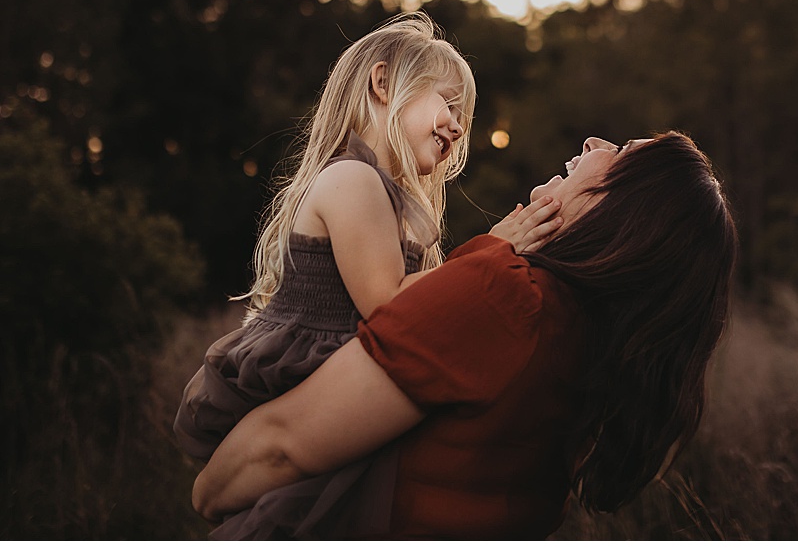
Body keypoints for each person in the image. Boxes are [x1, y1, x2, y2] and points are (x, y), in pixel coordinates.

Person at [192, 131, 738, 538]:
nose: (595, 141)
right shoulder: (598, 345)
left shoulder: (506, 296)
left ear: (616, 207)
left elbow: (281, 446)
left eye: (618, 151)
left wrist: (207, 495)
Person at [175, 13, 561, 538]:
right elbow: (387, 302)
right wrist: (495, 250)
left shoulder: (386, 195)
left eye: (464, 116)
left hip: (342, 381)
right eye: (447, 104)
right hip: (311, 373)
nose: (457, 124)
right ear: (383, 85)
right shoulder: (354, 179)